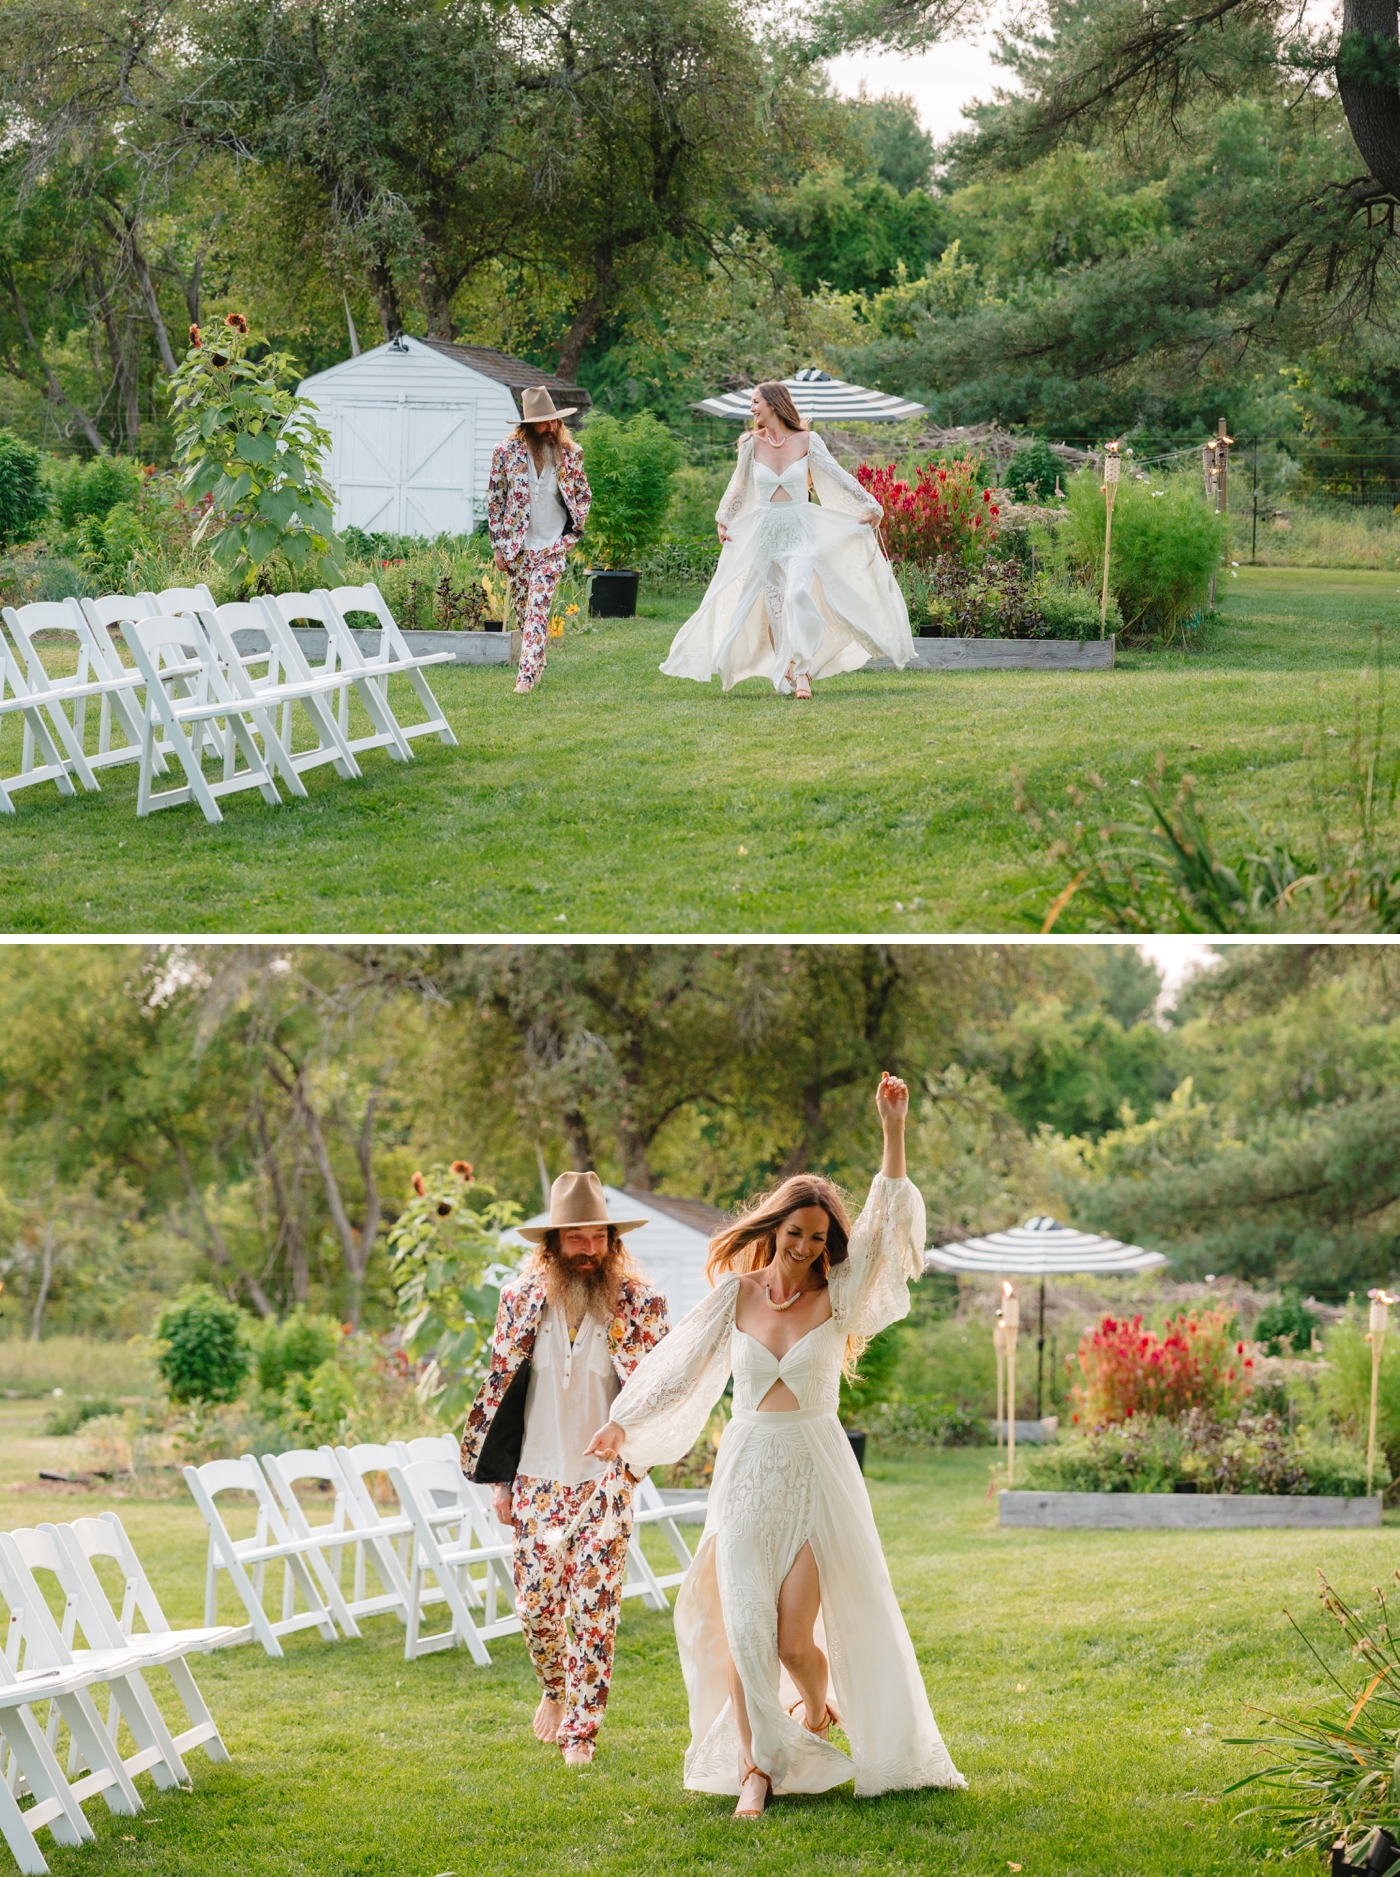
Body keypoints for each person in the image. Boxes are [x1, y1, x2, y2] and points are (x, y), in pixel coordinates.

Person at [585, 1073, 964, 1817]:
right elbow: (679, 1364)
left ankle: (816, 1708)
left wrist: (894, 1130)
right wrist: (622, 1422)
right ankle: (757, 1767)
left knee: (793, 1640)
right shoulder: (737, 1293)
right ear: (775, 1228)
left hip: (816, 1468)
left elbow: (887, 1228)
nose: (802, 1250)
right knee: (746, 1628)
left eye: (817, 1240)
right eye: (794, 1234)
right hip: (748, 1468)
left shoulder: (841, 1295)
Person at [459, 1171, 668, 1764]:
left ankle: (582, 1732)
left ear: (612, 1240)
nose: (588, 1250)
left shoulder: (641, 1305)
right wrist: (501, 1483)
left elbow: (659, 1393)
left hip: (606, 1485)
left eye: (597, 1236)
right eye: (575, 1238)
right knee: (536, 1609)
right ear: (551, 1243)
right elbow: (502, 1395)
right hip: (535, 1480)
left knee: (594, 1608)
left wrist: (631, 1468)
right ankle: (555, 1688)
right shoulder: (519, 1302)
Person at [659, 381, 915, 697]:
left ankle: (803, 672)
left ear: (774, 404)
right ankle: (787, 670)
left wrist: (871, 505)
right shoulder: (750, 443)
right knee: (776, 607)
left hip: (800, 530)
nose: (752, 408)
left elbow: (838, 475)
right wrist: (723, 519)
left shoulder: (808, 440)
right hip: (765, 534)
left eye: (755, 402)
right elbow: (738, 486)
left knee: (796, 595)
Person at [485, 387, 591, 695]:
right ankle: (537, 662)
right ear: (528, 425)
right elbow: (496, 501)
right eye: (544, 422)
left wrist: (573, 534)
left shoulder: (571, 453)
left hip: (552, 545)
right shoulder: (504, 453)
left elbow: (583, 495)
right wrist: (498, 546)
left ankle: (526, 677)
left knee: (538, 609)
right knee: (523, 611)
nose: (552, 427)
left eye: (554, 421)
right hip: (517, 547)